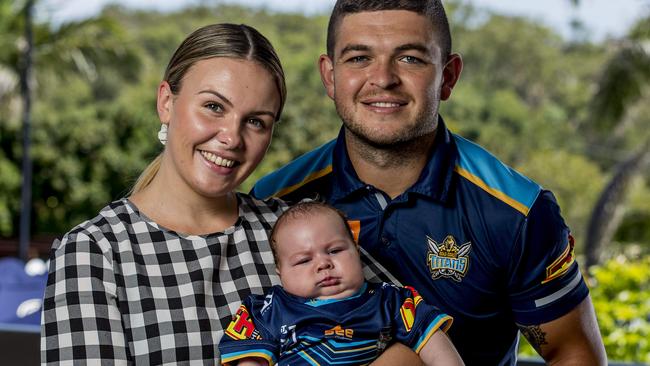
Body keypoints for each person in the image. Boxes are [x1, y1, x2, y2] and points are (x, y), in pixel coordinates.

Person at [251, 1, 608, 365]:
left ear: (448, 76)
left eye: (410, 59)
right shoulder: (274, 201)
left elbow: (574, 353)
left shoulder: (517, 212)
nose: (383, 78)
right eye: (359, 58)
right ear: (330, 76)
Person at [40, 22, 410, 366]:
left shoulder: (296, 228)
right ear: (166, 102)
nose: (232, 138)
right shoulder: (95, 252)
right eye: (213, 107)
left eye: (255, 122)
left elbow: (417, 339)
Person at [218, 201, 464, 366]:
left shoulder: (392, 300)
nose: (323, 264)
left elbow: (434, 342)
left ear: (357, 251)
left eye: (335, 250)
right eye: (304, 260)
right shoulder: (269, 309)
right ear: (280, 272)